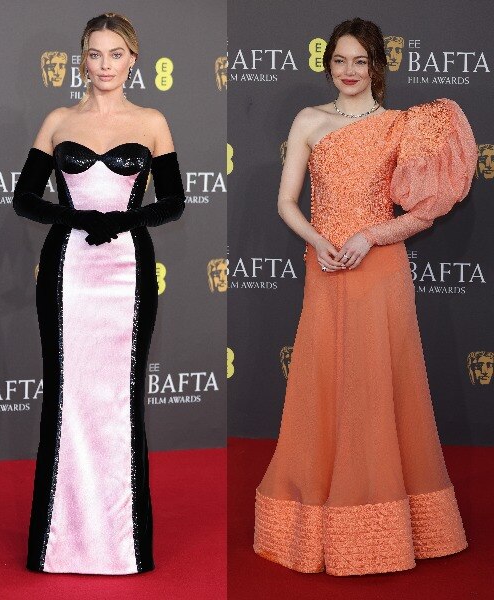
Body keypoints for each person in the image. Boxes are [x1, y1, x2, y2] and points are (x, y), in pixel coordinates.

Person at [253, 18, 477, 576]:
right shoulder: (309, 120)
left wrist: (370, 236)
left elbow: (424, 211)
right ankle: (318, 517)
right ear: (327, 64)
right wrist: (320, 243)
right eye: (339, 61)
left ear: (377, 65)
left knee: (379, 385)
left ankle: (389, 523)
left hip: (380, 268)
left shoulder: (403, 125)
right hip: (325, 265)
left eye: (360, 61)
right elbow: (286, 203)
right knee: (324, 383)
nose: (349, 71)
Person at [13, 13, 185, 575]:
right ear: (81, 59)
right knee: (67, 394)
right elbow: (24, 198)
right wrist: (78, 217)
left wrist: (123, 221)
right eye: (95, 54)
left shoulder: (152, 122)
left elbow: (174, 202)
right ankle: (59, 542)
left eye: (116, 54)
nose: (105, 65)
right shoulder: (59, 120)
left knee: (120, 397)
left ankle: (120, 545)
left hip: (127, 272)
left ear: (133, 59)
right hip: (67, 271)